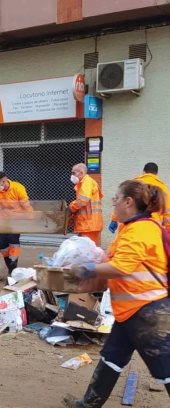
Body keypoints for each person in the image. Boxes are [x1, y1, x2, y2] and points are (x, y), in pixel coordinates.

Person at [62, 180, 170, 407]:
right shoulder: (131, 228)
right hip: (132, 312)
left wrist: (84, 270)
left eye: (115, 200)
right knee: (112, 357)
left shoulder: (141, 229)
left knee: (165, 367)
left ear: (128, 202)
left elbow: (122, 267)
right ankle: (89, 404)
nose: (114, 205)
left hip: (147, 313)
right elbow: (116, 264)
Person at [109, 162, 170, 234]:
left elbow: (122, 202)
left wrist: (114, 219)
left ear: (143, 172)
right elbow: (167, 212)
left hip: (131, 223)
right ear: (156, 174)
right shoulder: (163, 187)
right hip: (154, 226)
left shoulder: (134, 183)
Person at [0, 171, 33, 277]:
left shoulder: (18, 188)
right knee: (3, 246)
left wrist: (31, 219)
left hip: (16, 221)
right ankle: (11, 269)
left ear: (4, 181)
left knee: (13, 241)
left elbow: (26, 206)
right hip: (3, 222)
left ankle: (12, 270)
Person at [69, 163, 103, 245]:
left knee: (88, 252)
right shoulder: (83, 184)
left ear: (81, 173)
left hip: (89, 225)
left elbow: (82, 200)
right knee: (86, 252)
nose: (72, 176)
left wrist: (71, 207)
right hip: (88, 224)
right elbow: (82, 206)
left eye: (73, 173)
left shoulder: (87, 182)